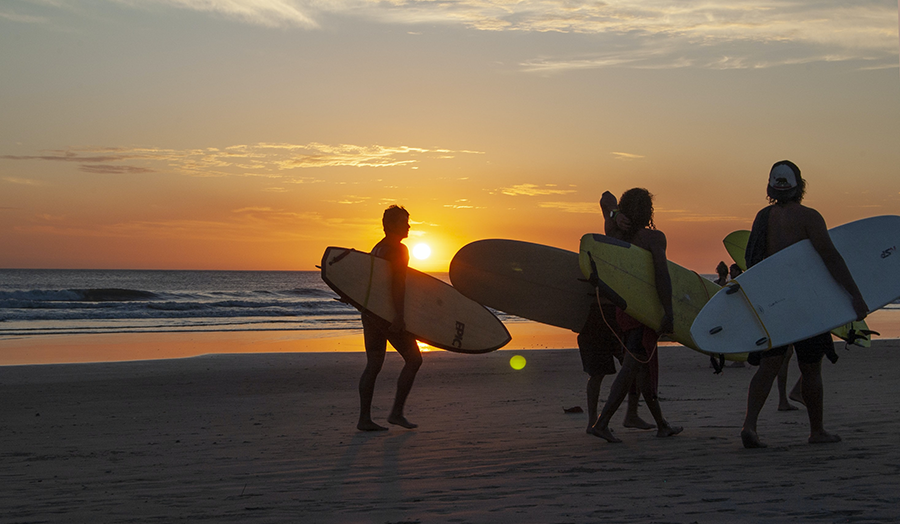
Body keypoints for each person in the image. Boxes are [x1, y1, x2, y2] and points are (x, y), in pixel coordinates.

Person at [740, 160, 868, 448]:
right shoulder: (809, 217)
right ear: (800, 185)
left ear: (770, 188)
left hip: (774, 303)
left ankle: (750, 425)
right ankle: (817, 430)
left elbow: (754, 262)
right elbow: (830, 257)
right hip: (806, 303)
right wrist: (855, 295)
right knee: (811, 368)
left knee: (769, 366)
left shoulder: (763, 218)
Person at [589, 188, 683, 443]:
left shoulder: (614, 231)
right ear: (649, 211)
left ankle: (662, 424)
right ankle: (602, 422)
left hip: (624, 308)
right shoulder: (654, 239)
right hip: (644, 312)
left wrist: (614, 213)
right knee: (632, 367)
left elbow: (605, 196)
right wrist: (668, 312)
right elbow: (662, 276)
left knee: (643, 370)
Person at [357, 205, 423, 432]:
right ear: (392, 225)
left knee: (373, 364)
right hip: (386, 315)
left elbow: (368, 281)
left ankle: (364, 419)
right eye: (404, 222)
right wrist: (399, 316)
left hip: (370, 313)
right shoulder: (398, 249)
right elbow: (397, 284)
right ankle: (396, 413)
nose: (408, 226)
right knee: (414, 360)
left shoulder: (377, 248)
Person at [578, 299, 654, 433]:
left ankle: (632, 415)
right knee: (598, 373)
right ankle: (593, 422)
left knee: (633, 367)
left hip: (619, 314)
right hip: (599, 317)